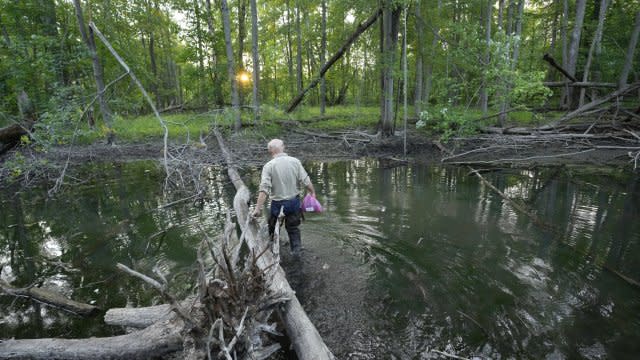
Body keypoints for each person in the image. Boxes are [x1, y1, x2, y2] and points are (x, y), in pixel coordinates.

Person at [251, 139, 316, 255]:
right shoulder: (295, 161)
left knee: (273, 229)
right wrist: (312, 192)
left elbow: (264, 190)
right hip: (294, 203)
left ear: (270, 151)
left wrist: (257, 209)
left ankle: (271, 251)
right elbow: (306, 181)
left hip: (277, 204)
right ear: (283, 147)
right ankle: (296, 253)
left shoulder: (268, 166)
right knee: (293, 230)